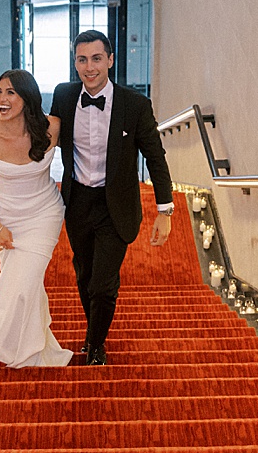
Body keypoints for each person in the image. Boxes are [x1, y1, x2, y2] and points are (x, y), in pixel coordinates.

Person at [50, 32, 174, 368]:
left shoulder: (134, 105)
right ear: (75, 62)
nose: (89, 67)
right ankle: (94, 332)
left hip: (115, 204)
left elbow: (155, 156)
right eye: (81, 59)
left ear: (110, 60)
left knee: (103, 283)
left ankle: (95, 344)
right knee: (84, 275)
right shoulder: (63, 95)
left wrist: (165, 210)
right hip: (77, 202)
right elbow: (46, 140)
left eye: (96, 59)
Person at [0, 70, 74, 369]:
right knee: (29, 285)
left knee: (24, 282)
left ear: (27, 97)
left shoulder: (52, 127)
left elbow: (87, 150)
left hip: (45, 214)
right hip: (7, 219)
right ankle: (34, 351)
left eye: (11, 92)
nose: (2, 98)